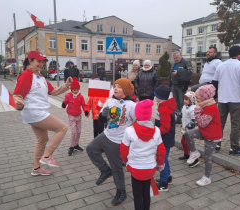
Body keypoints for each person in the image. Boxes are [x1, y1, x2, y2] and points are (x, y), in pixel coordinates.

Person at [13, 50, 72, 176]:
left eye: (42, 62)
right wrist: (19, 102)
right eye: (38, 61)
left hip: (37, 112)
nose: (41, 64)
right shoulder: (26, 74)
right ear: (30, 61)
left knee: (42, 139)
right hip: (34, 112)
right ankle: (47, 156)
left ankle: (36, 168)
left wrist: (66, 85)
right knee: (62, 128)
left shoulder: (39, 76)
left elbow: (53, 91)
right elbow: (17, 94)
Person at [86, 78, 136, 206]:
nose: (115, 88)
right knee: (91, 149)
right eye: (115, 86)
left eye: (119, 87)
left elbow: (137, 122)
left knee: (117, 167)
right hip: (106, 135)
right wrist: (102, 116)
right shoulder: (110, 101)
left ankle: (121, 192)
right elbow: (101, 120)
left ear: (125, 90)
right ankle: (105, 170)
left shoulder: (131, 105)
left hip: (118, 141)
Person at [120, 99, 166, 210]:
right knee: (146, 192)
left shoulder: (129, 130)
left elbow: (123, 149)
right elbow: (161, 150)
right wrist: (160, 164)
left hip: (135, 167)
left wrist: (126, 161)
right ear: (150, 114)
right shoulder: (156, 131)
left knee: (137, 194)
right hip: (150, 168)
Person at [212, 46, 240, 155]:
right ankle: (234, 148)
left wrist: (215, 96)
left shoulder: (221, 65)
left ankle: (216, 144)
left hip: (222, 98)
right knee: (236, 123)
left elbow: (214, 82)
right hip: (236, 99)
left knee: (219, 122)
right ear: (239, 54)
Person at [184, 84, 222, 186]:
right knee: (187, 133)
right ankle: (194, 152)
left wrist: (197, 110)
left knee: (207, 156)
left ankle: (207, 177)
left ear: (205, 97)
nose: (196, 99)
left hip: (211, 136)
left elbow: (202, 123)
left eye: (198, 97)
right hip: (204, 131)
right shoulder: (204, 104)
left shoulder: (211, 108)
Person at [154, 85, 176, 191]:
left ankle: (164, 183)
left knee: (162, 159)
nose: (154, 97)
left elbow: (165, 128)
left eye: (155, 95)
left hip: (164, 138)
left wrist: (155, 131)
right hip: (165, 137)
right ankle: (168, 177)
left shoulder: (164, 109)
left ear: (159, 97)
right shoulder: (164, 106)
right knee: (165, 158)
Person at [62, 77, 89, 156]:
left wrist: (86, 111)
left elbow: (84, 105)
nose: (76, 91)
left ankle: (76, 144)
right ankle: (71, 146)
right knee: (73, 132)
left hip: (78, 116)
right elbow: (65, 102)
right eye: (74, 90)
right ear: (71, 90)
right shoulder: (68, 96)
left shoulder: (80, 97)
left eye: (77, 89)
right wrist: (64, 104)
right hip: (71, 116)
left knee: (78, 131)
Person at [169, 51, 193, 124]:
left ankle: (184, 117)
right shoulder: (174, 64)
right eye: (174, 58)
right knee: (176, 103)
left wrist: (178, 72)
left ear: (180, 55)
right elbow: (171, 73)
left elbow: (190, 72)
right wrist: (169, 83)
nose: (175, 59)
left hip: (182, 85)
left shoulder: (186, 62)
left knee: (182, 102)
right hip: (174, 84)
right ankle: (179, 117)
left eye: (176, 58)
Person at [178, 91, 197, 167]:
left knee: (188, 143)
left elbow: (194, 120)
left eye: (186, 99)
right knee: (183, 141)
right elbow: (182, 115)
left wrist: (187, 126)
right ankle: (186, 154)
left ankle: (194, 158)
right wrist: (175, 111)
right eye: (184, 99)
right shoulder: (185, 106)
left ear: (191, 100)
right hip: (185, 129)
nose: (184, 101)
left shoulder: (193, 108)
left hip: (190, 130)